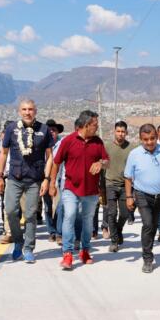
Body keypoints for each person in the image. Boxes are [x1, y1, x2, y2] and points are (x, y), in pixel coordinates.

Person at [49, 110, 109, 270]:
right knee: (69, 215)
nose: (97, 127)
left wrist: (101, 164)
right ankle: (67, 254)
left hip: (91, 191)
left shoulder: (98, 142)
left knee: (88, 222)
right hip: (71, 188)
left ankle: (85, 251)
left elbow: (107, 161)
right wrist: (52, 183)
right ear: (86, 125)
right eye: (95, 125)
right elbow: (56, 162)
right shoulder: (68, 141)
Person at [0, 100, 54, 263]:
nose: (27, 112)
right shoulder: (11, 129)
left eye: (30, 109)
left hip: (34, 179)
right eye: (24, 109)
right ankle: (18, 241)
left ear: (35, 111)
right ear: (19, 111)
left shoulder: (44, 130)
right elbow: (3, 154)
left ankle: (28, 248)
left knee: (30, 215)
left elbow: (50, 157)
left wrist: (47, 179)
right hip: (14, 177)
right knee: (10, 211)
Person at [124, 124, 160, 274]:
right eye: (145, 139)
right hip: (142, 194)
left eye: (152, 138)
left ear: (156, 137)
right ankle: (147, 258)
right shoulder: (134, 154)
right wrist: (129, 196)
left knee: (154, 225)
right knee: (148, 224)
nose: (149, 142)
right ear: (140, 139)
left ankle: (148, 249)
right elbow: (128, 177)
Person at [104, 121, 136, 252]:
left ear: (126, 133)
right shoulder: (106, 147)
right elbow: (102, 166)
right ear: (114, 131)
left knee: (124, 213)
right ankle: (114, 241)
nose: (120, 134)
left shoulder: (132, 148)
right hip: (110, 183)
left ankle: (118, 230)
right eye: (118, 131)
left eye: (123, 131)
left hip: (125, 185)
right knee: (112, 213)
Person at [43, 119, 63, 242]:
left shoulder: (61, 145)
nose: (51, 132)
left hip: (59, 177)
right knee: (48, 206)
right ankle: (51, 231)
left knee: (59, 206)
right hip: (44, 178)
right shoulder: (41, 145)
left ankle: (59, 232)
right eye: (49, 130)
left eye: (54, 130)